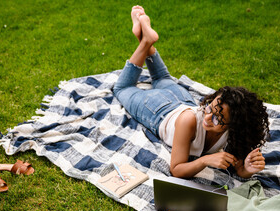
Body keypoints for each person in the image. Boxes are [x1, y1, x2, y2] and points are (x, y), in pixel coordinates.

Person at [113, 6, 269, 179]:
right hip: (158, 111)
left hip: (180, 98)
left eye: (217, 118)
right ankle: (145, 41)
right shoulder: (190, 121)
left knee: (161, 77)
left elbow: (240, 170)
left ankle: (145, 37)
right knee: (122, 88)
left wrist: (248, 168)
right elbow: (176, 169)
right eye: (209, 107)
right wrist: (205, 160)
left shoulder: (236, 132)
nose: (207, 117)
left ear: (235, 125)